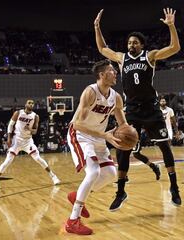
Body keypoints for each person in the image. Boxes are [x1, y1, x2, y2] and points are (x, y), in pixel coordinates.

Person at [94, 7, 182, 210]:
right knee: (122, 149)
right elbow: (102, 49)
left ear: (141, 45)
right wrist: (97, 27)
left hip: (151, 109)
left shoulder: (150, 56)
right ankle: (121, 191)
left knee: (164, 147)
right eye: (129, 42)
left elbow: (174, 48)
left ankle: (174, 187)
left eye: (135, 42)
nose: (131, 44)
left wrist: (171, 26)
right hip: (131, 110)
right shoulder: (122, 58)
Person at [65, 59, 128, 235]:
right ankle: (72, 221)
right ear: (102, 74)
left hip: (99, 137)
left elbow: (123, 123)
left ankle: (76, 195)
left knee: (110, 174)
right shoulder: (90, 92)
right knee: (93, 172)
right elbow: (77, 125)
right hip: (80, 135)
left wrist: (128, 134)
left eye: (115, 70)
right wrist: (105, 135)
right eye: (111, 70)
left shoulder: (116, 97)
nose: (115, 73)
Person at [0, 100, 60, 190]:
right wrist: (9, 138)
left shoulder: (35, 116)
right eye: (29, 103)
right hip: (17, 140)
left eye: (32, 103)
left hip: (28, 141)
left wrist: (30, 129)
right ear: (25, 104)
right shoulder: (18, 113)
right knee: (8, 161)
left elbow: (35, 131)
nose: (31, 104)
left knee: (38, 159)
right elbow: (10, 125)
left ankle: (53, 177)